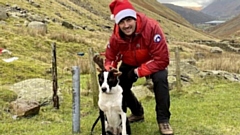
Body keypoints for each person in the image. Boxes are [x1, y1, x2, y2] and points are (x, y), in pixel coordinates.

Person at [103, 0, 173, 134]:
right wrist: (110, 68)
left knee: (160, 79)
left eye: (129, 20)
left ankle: (163, 120)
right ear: (117, 23)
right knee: (121, 85)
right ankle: (137, 112)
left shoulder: (151, 28)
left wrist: (138, 72)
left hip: (153, 62)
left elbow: (162, 59)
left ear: (134, 18)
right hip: (129, 62)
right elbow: (110, 57)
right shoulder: (116, 36)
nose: (126, 25)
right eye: (122, 22)